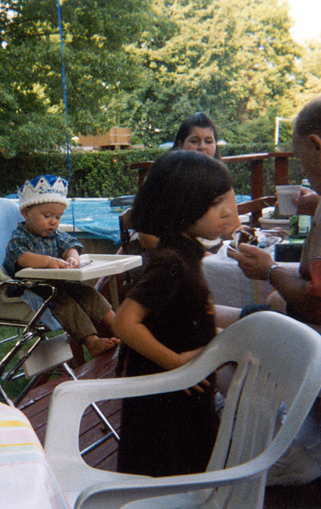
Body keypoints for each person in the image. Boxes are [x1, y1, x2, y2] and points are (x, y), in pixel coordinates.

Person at [229, 95, 321, 484]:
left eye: (300, 158)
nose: (304, 169)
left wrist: (271, 271)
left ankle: (287, 456)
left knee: (251, 327)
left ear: (317, 145)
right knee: (276, 310)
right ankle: (319, 443)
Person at [112, 150, 239, 477]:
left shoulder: (187, 255)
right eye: (216, 203)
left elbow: (179, 318)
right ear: (183, 208)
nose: (229, 209)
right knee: (170, 479)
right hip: (165, 403)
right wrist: (175, 363)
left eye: (229, 198)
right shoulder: (172, 262)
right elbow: (125, 322)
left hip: (184, 394)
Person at [3, 174, 120, 358]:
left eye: (58, 216)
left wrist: (72, 257)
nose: (53, 222)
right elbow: (22, 257)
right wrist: (49, 262)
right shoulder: (20, 236)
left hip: (57, 284)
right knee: (63, 302)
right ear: (26, 213)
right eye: (47, 215)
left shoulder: (55, 235)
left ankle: (120, 327)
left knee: (87, 292)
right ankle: (92, 342)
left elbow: (70, 246)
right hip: (32, 289)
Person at [139, 112, 239, 251]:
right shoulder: (164, 178)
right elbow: (148, 238)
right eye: (194, 141)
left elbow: (231, 228)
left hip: (214, 253)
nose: (202, 147)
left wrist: (245, 235)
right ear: (180, 144)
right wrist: (199, 257)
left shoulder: (220, 182)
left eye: (209, 141)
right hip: (174, 256)